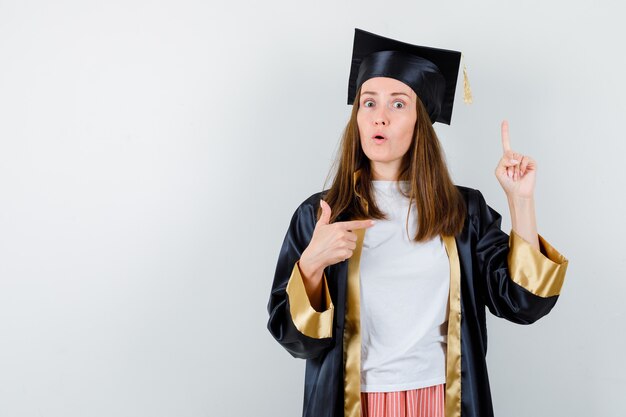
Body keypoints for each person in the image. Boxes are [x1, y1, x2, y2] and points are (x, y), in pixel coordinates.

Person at [266, 28, 569, 417]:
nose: (379, 117)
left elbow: (524, 304)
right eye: (369, 103)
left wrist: (520, 202)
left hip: (443, 400)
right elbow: (294, 341)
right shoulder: (321, 215)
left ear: (420, 121)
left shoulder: (463, 212)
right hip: (352, 404)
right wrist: (310, 266)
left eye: (397, 104)